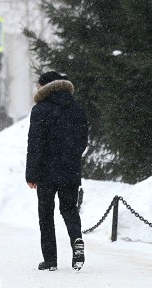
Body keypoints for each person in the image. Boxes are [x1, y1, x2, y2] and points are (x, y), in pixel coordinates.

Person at [25, 71, 89, 271]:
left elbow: (35, 143)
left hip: (46, 171)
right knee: (69, 210)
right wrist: (71, 156)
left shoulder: (40, 110)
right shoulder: (77, 109)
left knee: (46, 215)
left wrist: (31, 173)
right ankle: (77, 239)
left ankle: (50, 260)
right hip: (70, 169)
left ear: (44, 86)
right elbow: (83, 140)